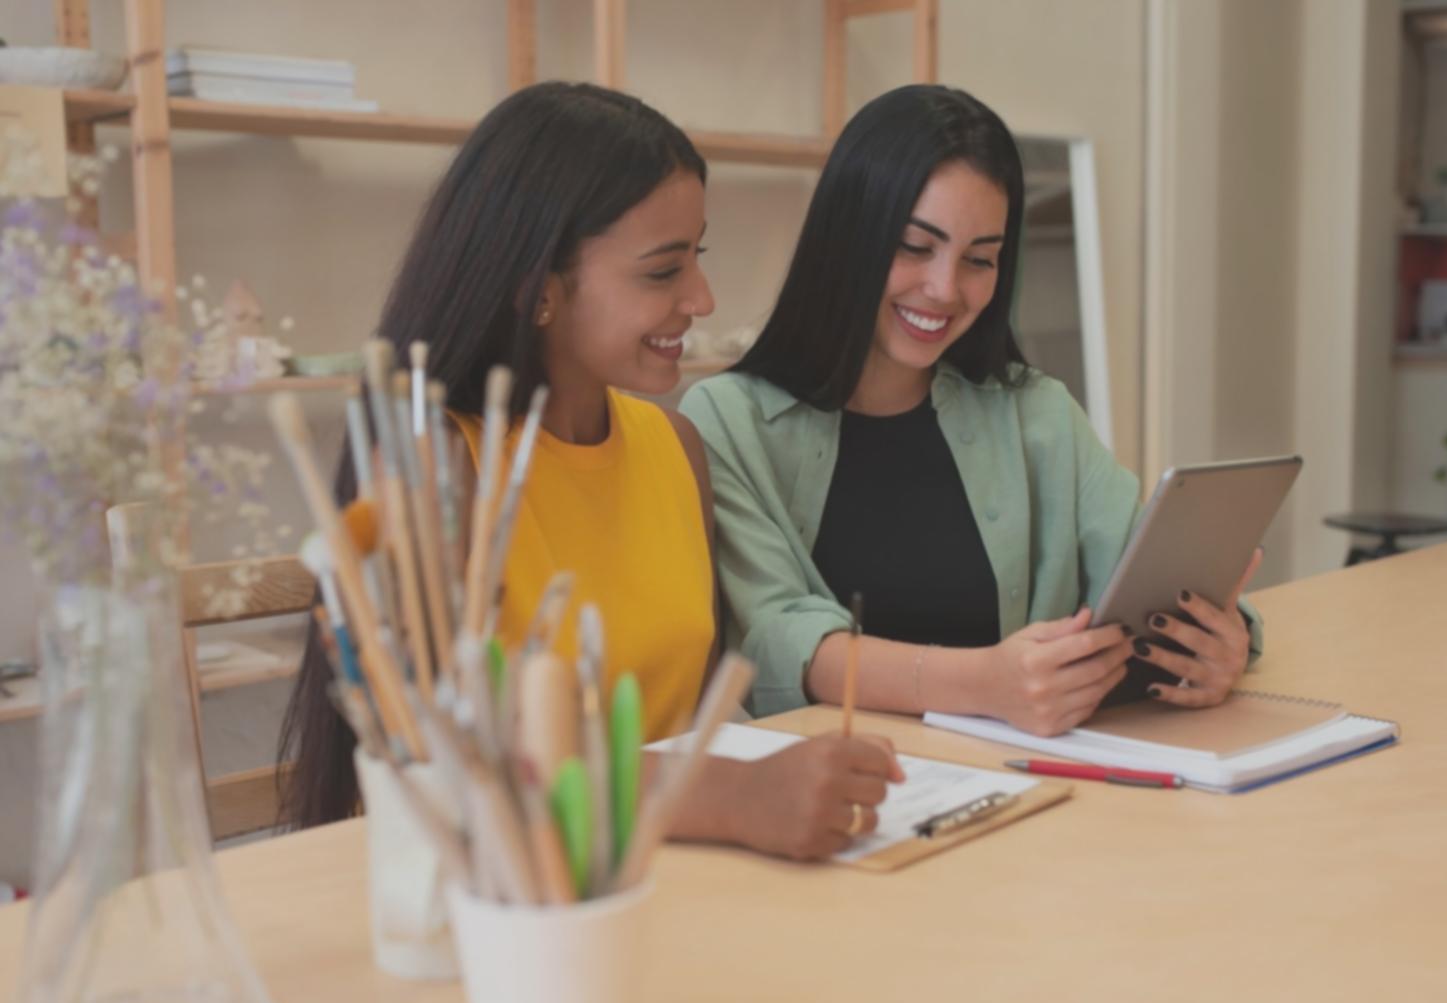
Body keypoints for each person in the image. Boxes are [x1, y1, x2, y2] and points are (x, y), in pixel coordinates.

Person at [280, 82, 902, 861]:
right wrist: (733, 798)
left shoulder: (675, 445)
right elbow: (438, 767)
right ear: (537, 290)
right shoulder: (434, 467)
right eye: (661, 272)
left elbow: (691, 719)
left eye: (696, 258)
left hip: (682, 876)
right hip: (520, 905)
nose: (702, 298)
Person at [680, 84, 1262, 735]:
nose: (944, 289)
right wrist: (986, 684)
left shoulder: (1036, 411)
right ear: (850, 236)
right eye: (914, 246)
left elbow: (1136, 568)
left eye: (979, 259)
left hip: (1028, 786)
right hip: (842, 799)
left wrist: (1218, 641)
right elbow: (774, 635)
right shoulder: (725, 421)